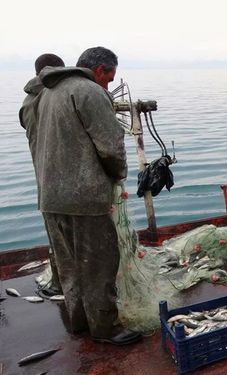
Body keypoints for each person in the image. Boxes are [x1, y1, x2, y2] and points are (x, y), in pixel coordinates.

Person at [31, 46, 140, 345]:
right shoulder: (89, 91)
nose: (108, 85)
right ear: (100, 70)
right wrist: (118, 175)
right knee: (99, 264)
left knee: (69, 265)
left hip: (51, 196)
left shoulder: (46, 93)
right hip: (84, 197)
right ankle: (106, 328)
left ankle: (80, 321)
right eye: (109, 78)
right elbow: (110, 145)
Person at [19, 53, 66, 297]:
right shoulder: (54, 97)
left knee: (56, 237)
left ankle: (59, 282)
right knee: (70, 241)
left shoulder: (28, 101)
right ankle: (70, 289)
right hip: (66, 181)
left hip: (44, 180)